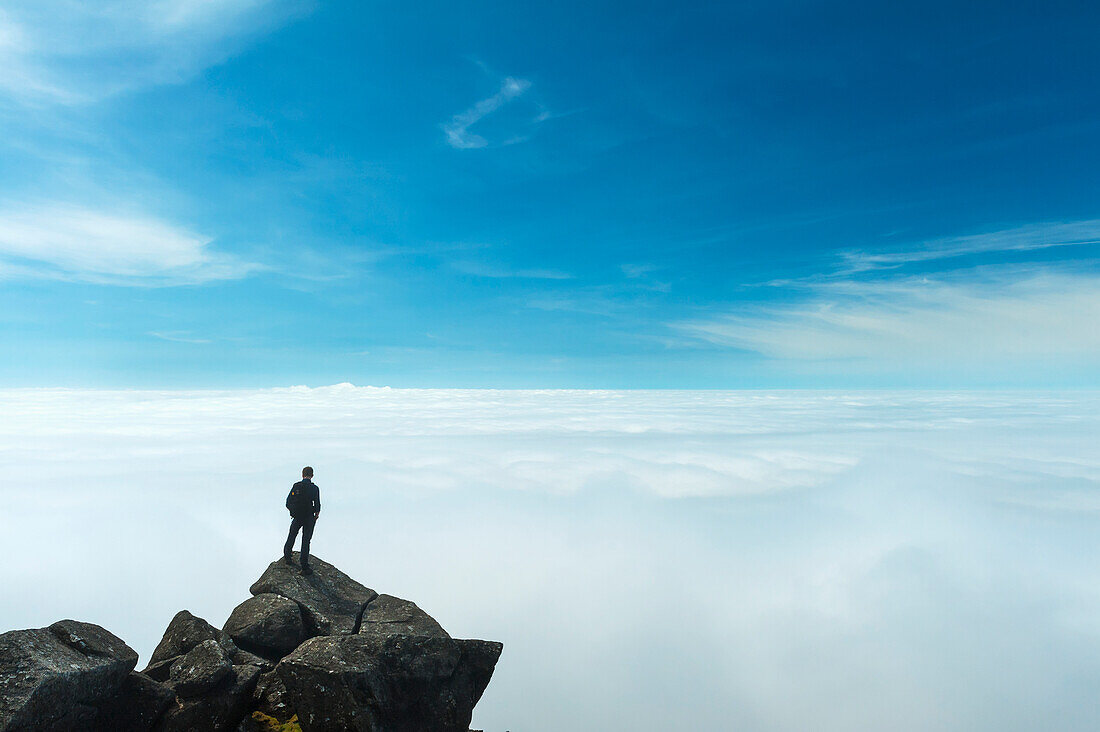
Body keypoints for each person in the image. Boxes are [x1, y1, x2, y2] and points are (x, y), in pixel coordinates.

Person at [284, 466, 321, 575]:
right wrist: (316, 515)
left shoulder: (297, 486)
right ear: (312, 475)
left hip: (297, 516)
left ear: (302, 474)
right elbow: (317, 504)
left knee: (292, 535)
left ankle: (287, 557)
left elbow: (288, 501)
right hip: (309, 517)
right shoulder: (314, 488)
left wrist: (293, 511)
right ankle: (304, 566)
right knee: (306, 540)